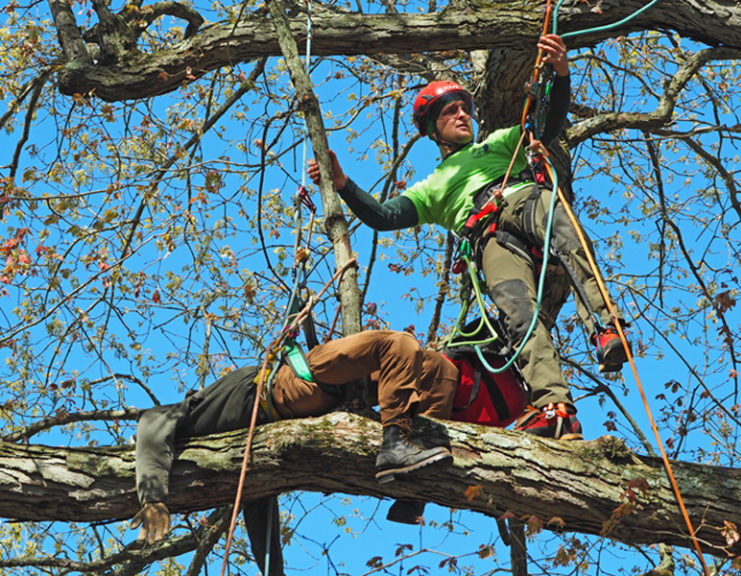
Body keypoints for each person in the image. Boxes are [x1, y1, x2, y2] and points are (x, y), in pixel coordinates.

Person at [308, 34, 629, 441]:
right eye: (450, 111)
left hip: (525, 199)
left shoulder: (498, 143)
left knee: (568, 238)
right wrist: (343, 184)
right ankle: (554, 405)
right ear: (432, 129)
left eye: (465, 108)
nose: (462, 115)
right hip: (488, 239)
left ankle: (605, 327)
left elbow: (546, 125)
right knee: (518, 316)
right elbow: (383, 217)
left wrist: (560, 73)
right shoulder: (431, 188)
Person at [131, 330, 459, 575]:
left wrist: (152, 496)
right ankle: (401, 454)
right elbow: (258, 502)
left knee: (438, 369)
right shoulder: (231, 450)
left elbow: (150, 422)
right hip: (302, 393)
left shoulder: (192, 413)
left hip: (300, 381)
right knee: (401, 347)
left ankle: (408, 465)